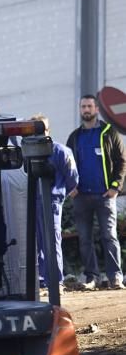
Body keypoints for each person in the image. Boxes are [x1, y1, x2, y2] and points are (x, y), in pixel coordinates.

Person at [66, 94, 126, 290]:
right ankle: (92, 277)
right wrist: (70, 186)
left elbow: (121, 161)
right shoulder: (75, 137)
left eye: (89, 106)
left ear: (97, 109)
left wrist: (116, 186)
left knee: (109, 236)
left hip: (105, 196)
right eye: (83, 106)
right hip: (81, 196)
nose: (86, 110)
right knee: (84, 239)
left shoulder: (109, 132)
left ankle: (115, 277)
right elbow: (66, 164)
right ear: (80, 109)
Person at [29, 113, 79, 288]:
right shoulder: (26, 152)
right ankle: (41, 280)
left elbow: (73, 178)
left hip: (51, 203)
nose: (39, 131)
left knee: (51, 242)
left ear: (48, 129)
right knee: (34, 243)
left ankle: (55, 281)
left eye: (41, 127)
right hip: (31, 203)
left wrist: (59, 195)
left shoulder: (61, 151)